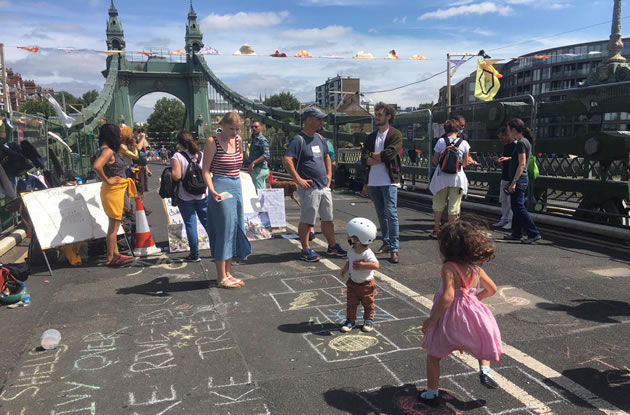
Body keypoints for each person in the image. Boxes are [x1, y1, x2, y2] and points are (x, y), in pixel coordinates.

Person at [419, 221, 502, 407]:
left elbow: (448, 296)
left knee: (434, 355)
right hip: (472, 314)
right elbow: (492, 290)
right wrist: (473, 300)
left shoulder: (449, 267)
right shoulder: (476, 269)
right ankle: (485, 372)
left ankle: (432, 393)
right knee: (482, 339)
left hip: (450, 318)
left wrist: (431, 320)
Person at [283, 107, 346, 262]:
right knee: (307, 220)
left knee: (327, 218)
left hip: (323, 185)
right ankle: (305, 250)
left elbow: (326, 156)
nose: (321, 122)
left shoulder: (320, 138)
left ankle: (332, 245)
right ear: (309, 119)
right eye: (318, 119)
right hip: (309, 188)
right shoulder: (299, 140)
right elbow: (287, 159)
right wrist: (298, 179)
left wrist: (329, 175)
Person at [202, 112, 251, 289]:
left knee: (234, 228)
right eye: (232, 128)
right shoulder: (212, 142)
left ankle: (228, 272)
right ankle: (221, 276)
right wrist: (212, 190)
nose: (235, 132)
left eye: (238, 129)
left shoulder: (237, 141)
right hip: (220, 185)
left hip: (236, 185)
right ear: (222, 125)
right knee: (223, 229)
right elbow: (205, 170)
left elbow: (238, 164)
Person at [360, 102, 402, 263]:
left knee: (391, 214)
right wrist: (378, 157)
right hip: (373, 181)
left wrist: (373, 156)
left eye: (379, 114)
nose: (376, 117)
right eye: (375, 114)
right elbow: (364, 159)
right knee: (381, 214)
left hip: (389, 180)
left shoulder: (395, 135)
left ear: (388, 116)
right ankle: (386, 242)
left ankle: (394, 248)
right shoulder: (371, 137)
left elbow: (390, 154)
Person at [92, 123, 137, 266]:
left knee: (114, 225)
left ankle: (115, 254)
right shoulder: (108, 151)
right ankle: (110, 258)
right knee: (114, 227)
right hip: (114, 191)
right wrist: (108, 180)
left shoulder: (103, 149)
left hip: (113, 191)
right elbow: (97, 166)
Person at [429, 119, 473, 238]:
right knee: (454, 206)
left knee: (438, 204)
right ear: (457, 129)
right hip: (457, 178)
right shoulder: (464, 143)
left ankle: (436, 229)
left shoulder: (441, 141)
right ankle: (451, 232)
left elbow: (434, 161)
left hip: (441, 177)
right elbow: (464, 163)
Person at [171, 131, 209, 262]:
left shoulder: (177, 156)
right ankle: (217, 251)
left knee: (190, 224)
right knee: (208, 223)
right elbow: (207, 172)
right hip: (202, 194)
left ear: (179, 143)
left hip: (185, 195)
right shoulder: (201, 155)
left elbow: (176, 176)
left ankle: (194, 254)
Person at [504, 118, 541, 244]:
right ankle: (516, 232)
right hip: (521, 178)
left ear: (514, 130)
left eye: (508, 129)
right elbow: (520, 160)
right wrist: (509, 158)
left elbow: (522, 163)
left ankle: (533, 233)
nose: (507, 132)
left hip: (519, 178)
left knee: (519, 207)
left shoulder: (520, 143)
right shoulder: (524, 142)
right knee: (516, 206)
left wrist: (514, 181)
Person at [339, 217, 379, 333]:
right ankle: (350, 320)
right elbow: (350, 260)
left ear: (357, 238)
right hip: (352, 283)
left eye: (350, 235)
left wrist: (362, 265)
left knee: (368, 303)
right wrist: (345, 269)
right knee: (351, 303)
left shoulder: (367, 253)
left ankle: (368, 320)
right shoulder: (352, 250)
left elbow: (376, 265)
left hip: (366, 284)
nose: (348, 237)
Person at [492, 127, 514, 230]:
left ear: (507, 135)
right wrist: (499, 159)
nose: (500, 140)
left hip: (512, 175)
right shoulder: (506, 146)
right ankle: (504, 218)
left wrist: (506, 158)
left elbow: (520, 158)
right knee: (503, 199)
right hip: (505, 174)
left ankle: (511, 221)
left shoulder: (516, 145)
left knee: (510, 200)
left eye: (502, 137)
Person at [247, 121, 270, 190]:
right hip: (257, 169)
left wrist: (254, 162)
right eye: (252, 127)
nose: (254, 128)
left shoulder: (262, 140)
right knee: (262, 190)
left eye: (256, 127)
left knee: (258, 191)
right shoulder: (254, 139)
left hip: (259, 169)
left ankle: (259, 201)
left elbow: (266, 155)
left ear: (261, 128)